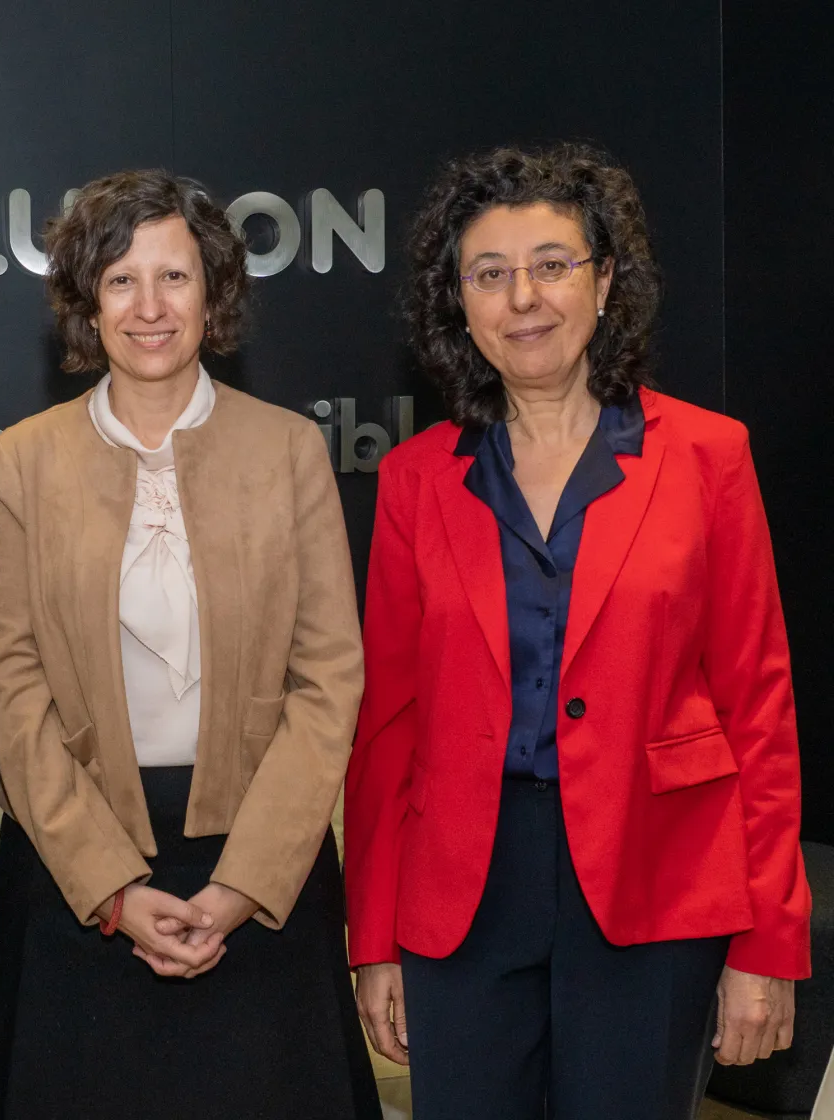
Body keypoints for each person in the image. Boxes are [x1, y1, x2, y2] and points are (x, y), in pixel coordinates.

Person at [345, 143, 808, 1120]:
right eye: (490, 273)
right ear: (459, 303)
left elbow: (759, 715)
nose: (524, 297)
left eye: (552, 264)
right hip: (464, 893)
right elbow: (386, 724)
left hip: (657, 882)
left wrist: (769, 943)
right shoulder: (416, 479)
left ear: (604, 281)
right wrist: (373, 936)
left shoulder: (709, 457)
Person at [0, 169, 380, 1119]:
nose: (149, 307)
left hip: (262, 874)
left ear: (214, 294)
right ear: (86, 302)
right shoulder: (21, 462)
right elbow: (12, 684)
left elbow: (329, 679)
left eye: (175, 278)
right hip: (79, 876)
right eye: (120, 279)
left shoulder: (288, 450)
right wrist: (111, 886)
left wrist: (246, 882)